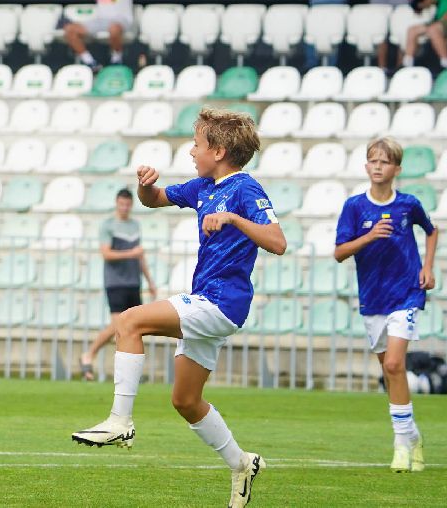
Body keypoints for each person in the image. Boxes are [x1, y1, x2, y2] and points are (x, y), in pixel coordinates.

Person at [72, 108, 286, 508]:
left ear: (219, 150)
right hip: (208, 300)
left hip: (222, 301)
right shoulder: (205, 185)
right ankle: (240, 463)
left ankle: (120, 422)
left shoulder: (245, 190)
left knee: (130, 320)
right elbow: (154, 200)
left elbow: (277, 241)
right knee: (185, 401)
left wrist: (234, 219)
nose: (191, 151)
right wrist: (143, 187)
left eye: (197, 144)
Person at [334, 138, 438, 473]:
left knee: (394, 364)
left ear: (396, 168)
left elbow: (432, 231)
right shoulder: (354, 206)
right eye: (372, 161)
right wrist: (369, 236)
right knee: (390, 371)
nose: (378, 166)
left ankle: (399, 444)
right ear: (366, 166)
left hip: (406, 294)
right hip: (373, 298)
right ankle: (413, 437)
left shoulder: (408, 204)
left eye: (385, 162)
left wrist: (427, 268)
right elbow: (339, 252)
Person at [78, 188, 157, 382]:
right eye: (121, 204)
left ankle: (126, 372)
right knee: (117, 326)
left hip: (133, 281)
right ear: (116, 203)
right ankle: (89, 354)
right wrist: (132, 253)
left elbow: (140, 257)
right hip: (115, 282)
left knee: (132, 328)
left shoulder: (135, 225)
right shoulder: (108, 225)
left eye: (128, 204)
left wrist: (150, 281)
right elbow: (106, 254)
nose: (124, 207)